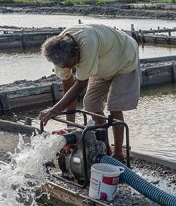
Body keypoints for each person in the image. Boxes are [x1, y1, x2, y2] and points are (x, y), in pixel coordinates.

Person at [39, 24, 140, 162]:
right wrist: (70, 127)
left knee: (115, 106)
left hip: (124, 58)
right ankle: (104, 147)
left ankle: (118, 154)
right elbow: (69, 88)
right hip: (103, 64)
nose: (71, 68)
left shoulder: (88, 43)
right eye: (67, 67)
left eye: (73, 64)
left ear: (77, 51)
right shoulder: (58, 51)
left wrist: (55, 109)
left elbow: (80, 85)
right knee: (91, 103)